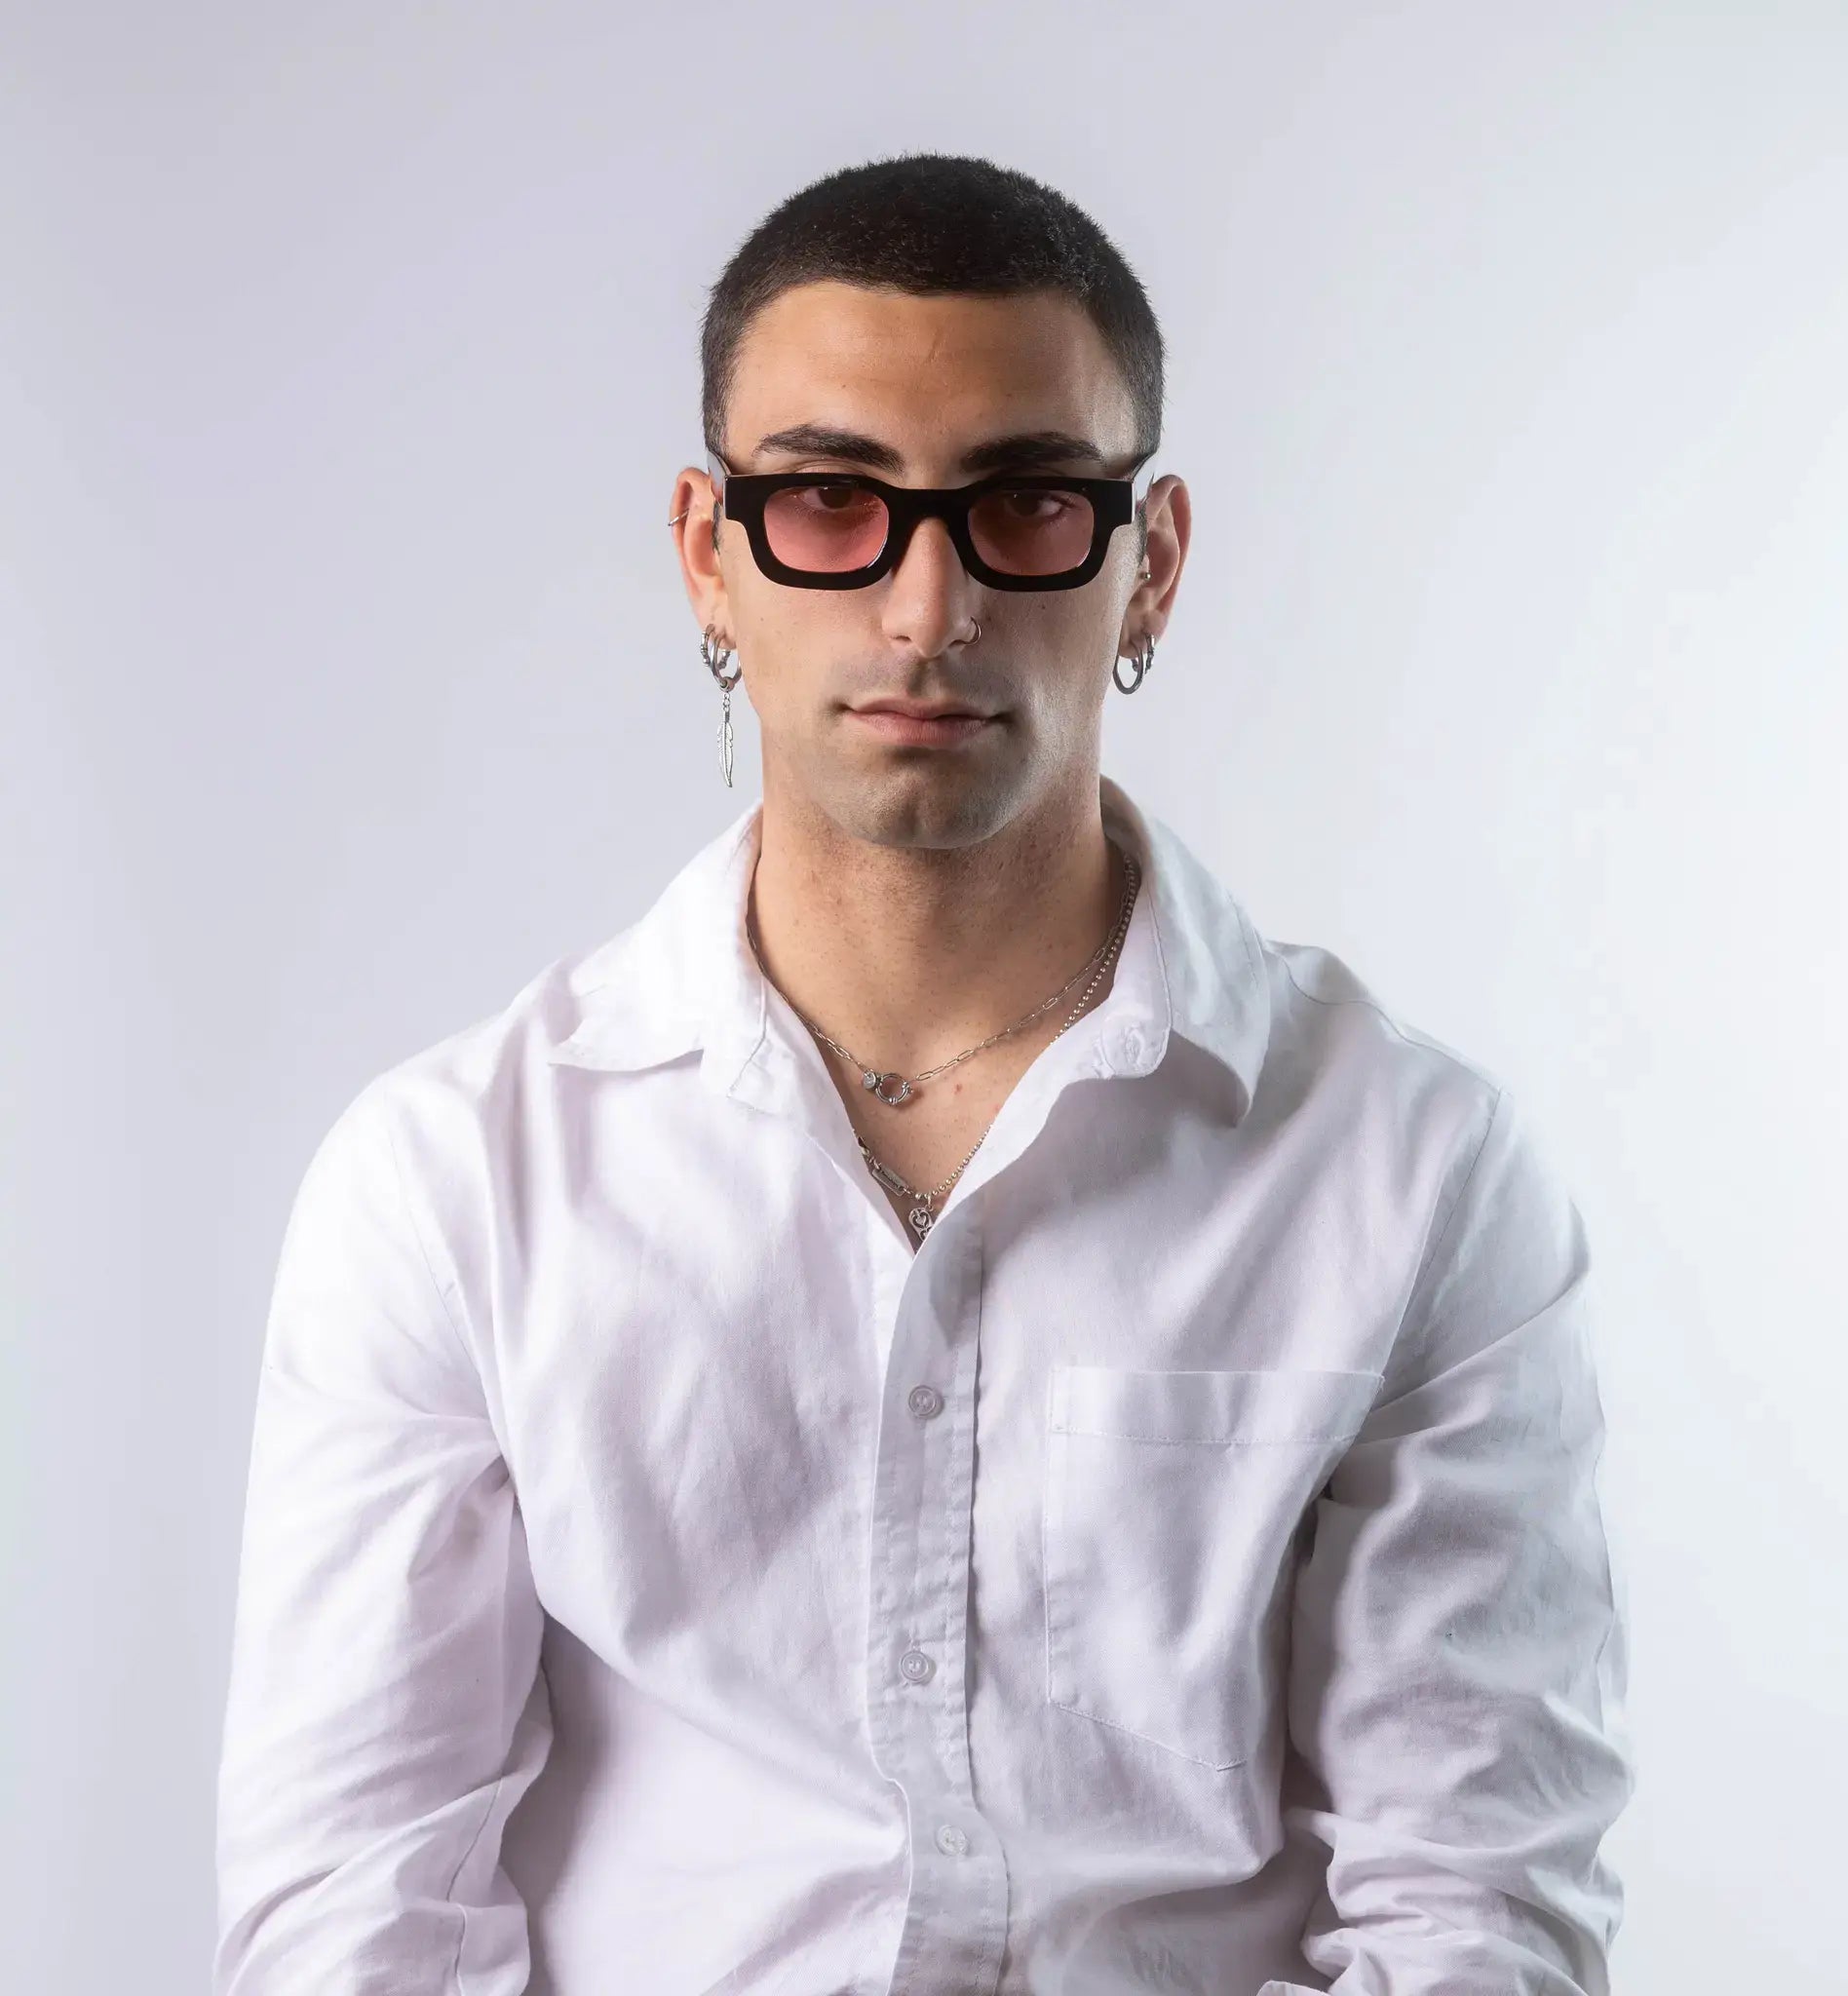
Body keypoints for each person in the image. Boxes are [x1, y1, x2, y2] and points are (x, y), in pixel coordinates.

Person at [212, 153, 1635, 1995]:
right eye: (829, 499)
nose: (926, 603)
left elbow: (1480, 1910)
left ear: (1152, 561)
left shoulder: (1415, 1169)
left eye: (1029, 502)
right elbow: (352, 1910)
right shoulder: (453, 1182)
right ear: (709, 553)